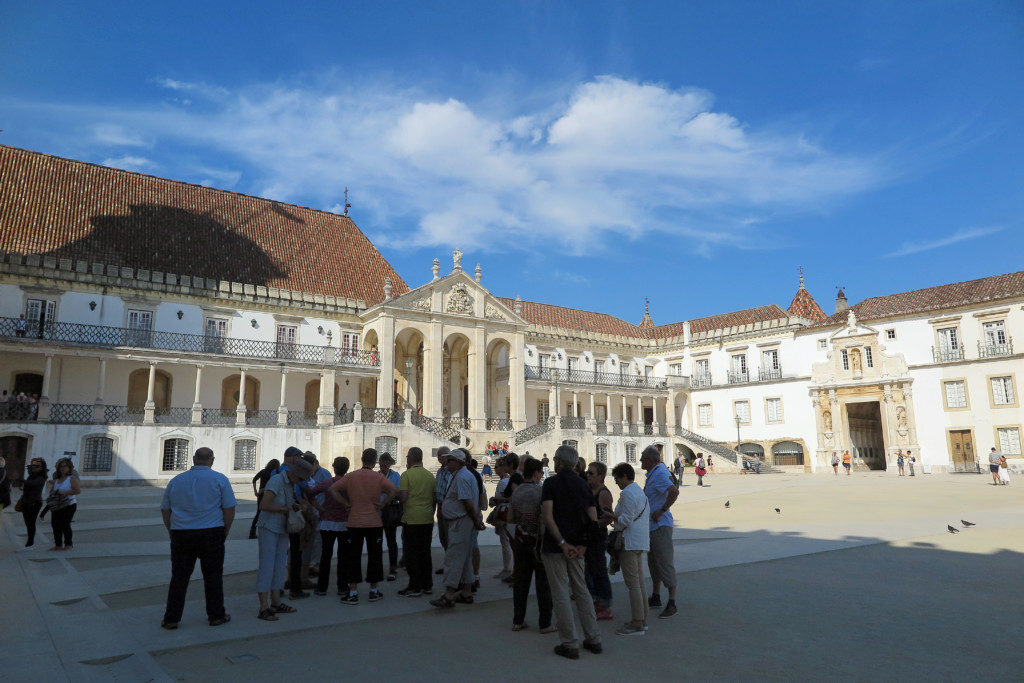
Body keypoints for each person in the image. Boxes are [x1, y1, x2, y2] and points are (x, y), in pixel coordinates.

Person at [159, 447, 236, 629]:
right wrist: (225, 531)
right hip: (212, 532)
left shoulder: (176, 481)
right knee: (213, 576)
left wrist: (172, 530)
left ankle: (171, 618)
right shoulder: (220, 479)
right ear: (212, 460)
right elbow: (229, 509)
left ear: (194, 459)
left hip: (182, 533)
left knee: (179, 577)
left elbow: (165, 509)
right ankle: (216, 615)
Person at [540, 445, 602, 659]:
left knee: (560, 594)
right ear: (575, 463)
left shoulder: (550, 483)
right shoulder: (583, 485)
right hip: (578, 547)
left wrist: (562, 543)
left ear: (557, 461)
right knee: (582, 590)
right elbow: (593, 519)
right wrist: (582, 545)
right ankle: (593, 638)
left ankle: (570, 643)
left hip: (556, 546)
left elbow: (548, 517)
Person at [330, 448, 397, 605]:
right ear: (375, 462)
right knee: (375, 556)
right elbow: (394, 490)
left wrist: (346, 503)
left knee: (353, 557)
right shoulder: (378, 477)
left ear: (361, 459)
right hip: (374, 522)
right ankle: (373, 590)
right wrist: (383, 504)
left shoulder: (351, 476)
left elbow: (332, 489)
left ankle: (353, 591)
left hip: (355, 522)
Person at [255, 457, 313, 621]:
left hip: (282, 529)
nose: (301, 482)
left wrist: (298, 505)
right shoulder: (276, 481)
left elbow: (289, 503)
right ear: (293, 473)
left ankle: (276, 603)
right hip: (268, 527)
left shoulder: (291, 484)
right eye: (301, 478)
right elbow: (264, 505)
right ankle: (263, 607)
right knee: (267, 566)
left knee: (279, 566)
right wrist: (285, 509)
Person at [429, 449, 486, 609]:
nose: (447, 463)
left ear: (459, 462)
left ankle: (449, 594)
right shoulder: (461, 475)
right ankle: (467, 592)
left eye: (450, 460)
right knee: (465, 557)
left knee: (453, 557)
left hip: (461, 522)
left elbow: (467, 502)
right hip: (461, 520)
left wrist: (475, 520)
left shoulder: (462, 477)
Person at [509, 457, 554, 632]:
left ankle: (518, 620)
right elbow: (545, 519)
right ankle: (545, 623)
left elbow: (510, 518)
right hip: (538, 543)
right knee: (543, 584)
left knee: (521, 582)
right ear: (536, 474)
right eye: (541, 473)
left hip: (520, 541)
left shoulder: (517, 491)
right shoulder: (541, 492)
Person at [609, 463, 650, 636]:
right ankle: (642, 619)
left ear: (624, 476)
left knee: (632, 584)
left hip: (629, 541)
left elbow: (625, 519)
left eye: (617, 478)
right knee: (639, 583)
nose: (616, 482)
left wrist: (610, 516)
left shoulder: (627, 493)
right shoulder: (639, 492)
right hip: (640, 541)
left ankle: (636, 623)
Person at [641, 445, 678, 619]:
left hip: (661, 525)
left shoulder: (659, 474)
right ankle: (656, 596)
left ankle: (672, 601)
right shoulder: (656, 472)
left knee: (664, 562)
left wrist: (662, 510)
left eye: (642, 458)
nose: (640, 460)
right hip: (652, 526)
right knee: (654, 563)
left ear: (650, 460)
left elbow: (673, 491)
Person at [307, 456, 350, 596]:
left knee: (326, 555)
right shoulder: (350, 483)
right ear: (347, 468)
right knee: (344, 556)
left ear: (333, 466)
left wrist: (319, 509)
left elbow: (310, 494)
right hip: (345, 523)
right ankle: (342, 587)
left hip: (327, 521)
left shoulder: (327, 483)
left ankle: (321, 587)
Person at [398, 447, 436, 597]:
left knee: (412, 554)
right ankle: (427, 585)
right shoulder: (430, 476)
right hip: (427, 518)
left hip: (411, 519)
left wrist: (397, 495)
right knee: (425, 553)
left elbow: (404, 498)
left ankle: (415, 586)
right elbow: (434, 499)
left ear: (409, 458)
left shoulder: (406, 475)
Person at [274, 446, 310, 598]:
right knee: (295, 553)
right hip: (291, 517)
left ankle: (277, 587)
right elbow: (304, 489)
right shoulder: (291, 474)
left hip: (277, 519)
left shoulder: (274, 472)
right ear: (293, 458)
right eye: (298, 457)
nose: (299, 460)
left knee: (279, 554)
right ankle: (295, 587)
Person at [584, 461, 614, 621]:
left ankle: (605, 605)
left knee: (599, 570)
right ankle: (596, 600)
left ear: (601, 475)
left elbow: (608, 516)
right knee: (588, 570)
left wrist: (595, 524)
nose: (587, 475)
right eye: (587, 472)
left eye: (591, 473)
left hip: (597, 537)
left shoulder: (603, 493)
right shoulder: (589, 489)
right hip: (588, 537)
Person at [45, 457, 81, 550]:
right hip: (57, 505)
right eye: (61, 466)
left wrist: (65, 492)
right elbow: (53, 490)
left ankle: (68, 544)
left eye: (65, 466)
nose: (62, 468)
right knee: (55, 524)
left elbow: (78, 491)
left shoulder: (71, 478)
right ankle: (58, 545)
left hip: (69, 504)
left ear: (69, 468)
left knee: (65, 524)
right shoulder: (57, 479)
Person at [378, 452, 403, 581]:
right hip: (377, 509)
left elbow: (398, 492)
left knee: (391, 540)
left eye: (386, 464)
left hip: (390, 509)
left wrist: (385, 491)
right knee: (377, 540)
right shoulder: (376, 475)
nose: (384, 466)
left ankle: (393, 568)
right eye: (382, 463)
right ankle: (377, 568)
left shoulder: (395, 475)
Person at [489, 457, 514, 581]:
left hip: (504, 515)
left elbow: (505, 499)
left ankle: (508, 568)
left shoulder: (504, 482)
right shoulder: (506, 481)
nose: (495, 469)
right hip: (506, 514)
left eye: (497, 466)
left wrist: (495, 501)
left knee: (505, 543)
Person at [18, 458, 48, 550]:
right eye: (32, 465)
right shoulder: (31, 476)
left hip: (35, 503)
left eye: (36, 466)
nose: (33, 467)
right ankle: (30, 542)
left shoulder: (42, 477)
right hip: (26, 502)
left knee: (31, 523)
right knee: (28, 523)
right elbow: (28, 485)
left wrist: (21, 480)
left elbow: (33, 484)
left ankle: (30, 544)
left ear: (42, 467)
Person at [249, 458, 281, 539]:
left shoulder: (263, 471)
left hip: (261, 494)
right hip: (270, 494)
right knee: (269, 512)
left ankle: (252, 532)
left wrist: (255, 491)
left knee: (258, 513)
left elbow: (254, 479)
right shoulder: (275, 473)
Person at [434, 446, 453, 573]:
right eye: (438, 456)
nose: (439, 458)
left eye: (442, 456)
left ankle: (451, 566)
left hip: (447, 506)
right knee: (442, 536)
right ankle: (448, 563)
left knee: (449, 536)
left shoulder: (450, 471)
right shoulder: (440, 471)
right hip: (440, 506)